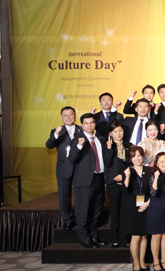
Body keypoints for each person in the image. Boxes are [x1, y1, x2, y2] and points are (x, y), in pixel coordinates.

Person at [67, 113, 107, 249]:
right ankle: (84, 238)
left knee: (96, 209)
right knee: (83, 210)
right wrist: (79, 146)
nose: (89, 125)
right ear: (82, 125)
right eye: (86, 123)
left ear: (95, 124)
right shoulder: (77, 139)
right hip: (84, 181)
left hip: (99, 178)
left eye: (92, 122)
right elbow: (71, 159)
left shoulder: (100, 138)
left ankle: (94, 236)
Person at [46, 106, 79, 231]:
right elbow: (49, 145)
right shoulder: (56, 131)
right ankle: (67, 220)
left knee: (81, 195)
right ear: (61, 117)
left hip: (79, 168)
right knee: (64, 196)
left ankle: (80, 218)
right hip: (63, 168)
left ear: (75, 116)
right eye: (65, 115)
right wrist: (56, 134)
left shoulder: (81, 129)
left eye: (70, 114)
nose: (68, 117)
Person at [120, 146, 152, 271]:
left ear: (143, 157)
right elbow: (124, 190)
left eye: (139, 156)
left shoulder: (149, 170)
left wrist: (148, 203)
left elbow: (153, 190)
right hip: (132, 207)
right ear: (130, 158)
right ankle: (136, 262)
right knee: (136, 236)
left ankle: (142, 261)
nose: (137, 159)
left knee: (144, 236)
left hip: (146, 205)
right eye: (134, 156)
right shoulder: (128, 171)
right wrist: (127, 177)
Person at [103, 121, 130, 248]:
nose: (118, 134)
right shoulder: (108, 146)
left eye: (120, 131)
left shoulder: (128, 146)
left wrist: (123, 176)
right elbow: (107, 163)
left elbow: (131, 165)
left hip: (125, 182)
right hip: (113, 183)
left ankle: (124, 238)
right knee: (115, 212)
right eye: (115, 131)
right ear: (110, 133)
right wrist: (109, 149)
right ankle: (115, 238)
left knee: (125, 212)